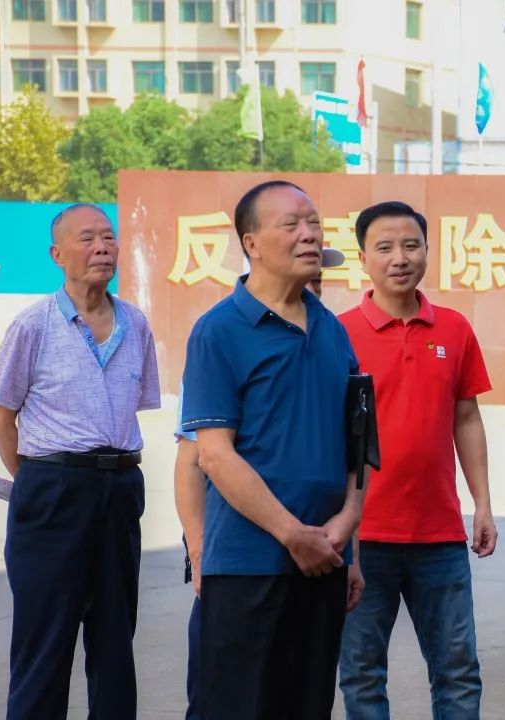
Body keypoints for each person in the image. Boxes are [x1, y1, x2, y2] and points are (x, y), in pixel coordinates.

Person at [181, 180, 364, 719]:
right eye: (292, 224)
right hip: (248, 564)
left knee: (308, 706)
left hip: (325, 561)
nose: (310, 235)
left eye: (315, 223)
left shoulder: (333, 331)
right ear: (252, 243)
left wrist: (348, 529)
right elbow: (214, 455)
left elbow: (357, 444)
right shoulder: (219, 331)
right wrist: (292, 534)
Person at [0, 203, 161, 720]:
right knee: (45, 640)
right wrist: (36, 483)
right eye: (87, 239)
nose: (102, 248)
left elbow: (134, 407)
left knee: (114, 638)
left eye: (108, 237)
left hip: (120, 487)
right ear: (57, 254)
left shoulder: (135, 323)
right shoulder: (33, 325)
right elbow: (1, 417)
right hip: (52, 488)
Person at [338, 200, 494, 720]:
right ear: (363, 258)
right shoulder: (338, 334)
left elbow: (466, 418)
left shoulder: (454, 328)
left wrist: (483, 505)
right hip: (363, 535)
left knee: (457, 671)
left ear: (428, 250)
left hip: (438, 534)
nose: (399, 258)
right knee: (362, 674)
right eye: (384, 247)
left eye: (411, 245)